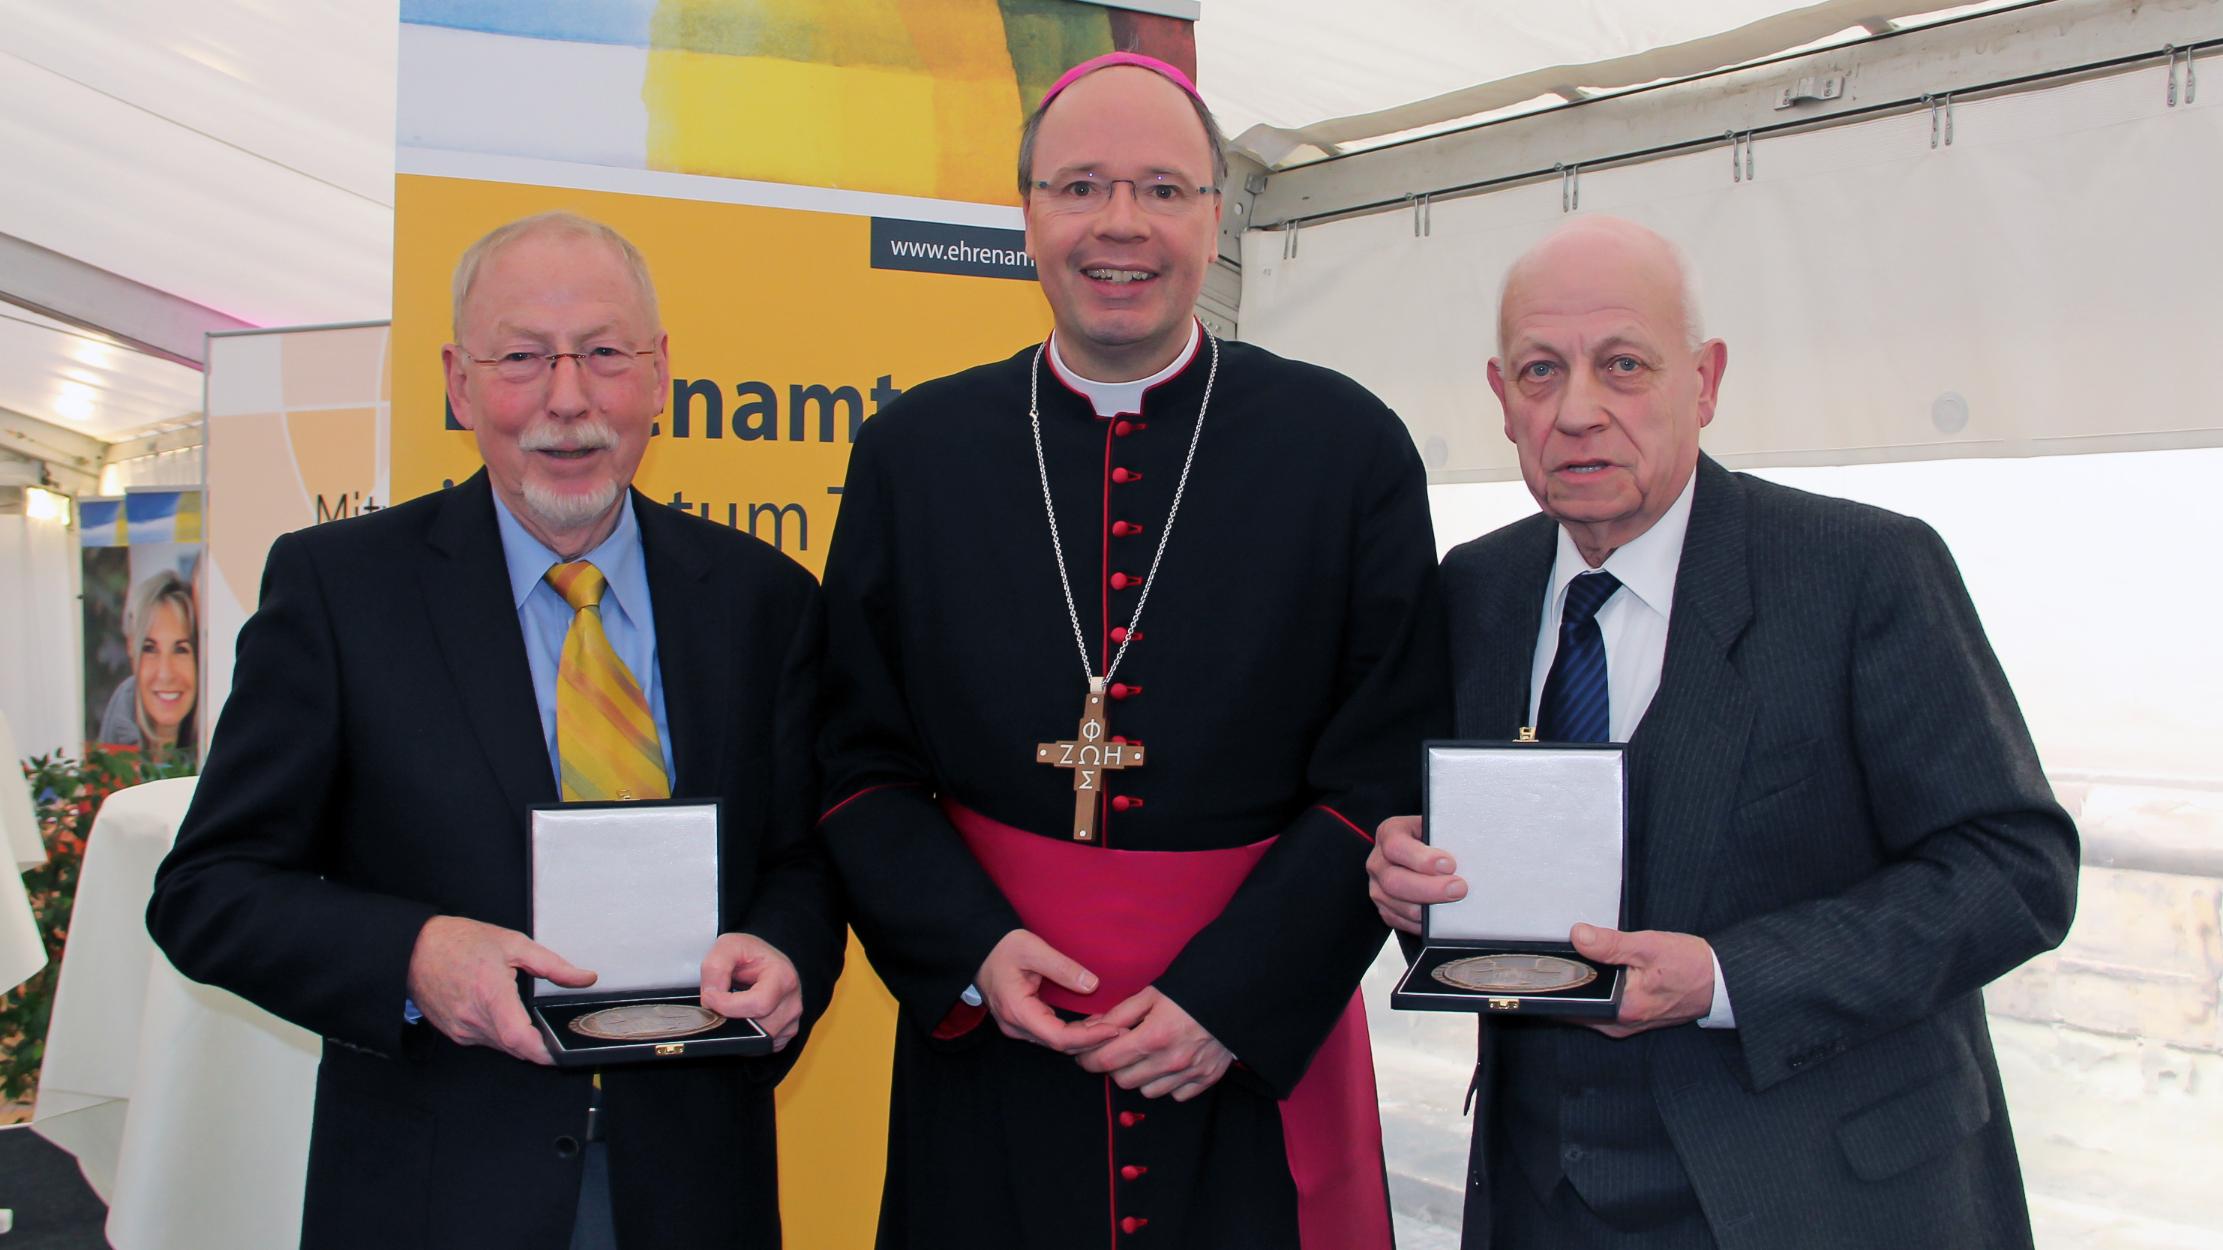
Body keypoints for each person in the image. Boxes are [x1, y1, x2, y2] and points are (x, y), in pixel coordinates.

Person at [817, 51, 1448, 1250]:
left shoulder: (1347, 447)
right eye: (1080, 187)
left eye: (1163, 189)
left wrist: (1233, 996)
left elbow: (1388, 767)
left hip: (1253, 1051)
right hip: (1003, 1043)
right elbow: (856, 759)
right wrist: (973, 951)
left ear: (1216, 217)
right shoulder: (915, 452)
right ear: (1027, 216)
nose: (1121, 225)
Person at [1366, 216, 2079, 1249]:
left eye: (1622, 365)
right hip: (1542, 1198)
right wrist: (1412, 886)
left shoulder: (1861, 572)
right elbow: (1476, 884)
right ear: (1500, 399)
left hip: (1822, 1197)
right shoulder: (1474, 590)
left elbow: (2016, 868)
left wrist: (1727, 976)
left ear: (1704, 381)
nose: (1577, 411)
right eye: (1539, 371)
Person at [147, 212, 843, 1250]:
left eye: (605, 354)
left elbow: (805, 859)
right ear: (458, 383)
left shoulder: (764, 601)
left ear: (660, 375)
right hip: (434, 1193)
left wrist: (787, 950)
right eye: (521, 357)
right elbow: (209, 889)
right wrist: (416, 955)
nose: (567, 399)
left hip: (698, 1187)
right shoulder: (339, 593)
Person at [96, 568, 199, 761]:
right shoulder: (121, 713)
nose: (165, 673)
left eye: (180, 649)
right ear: (131, 650)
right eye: (150, 648)